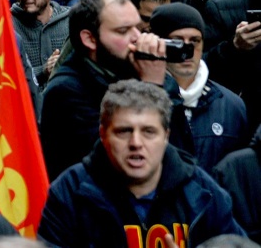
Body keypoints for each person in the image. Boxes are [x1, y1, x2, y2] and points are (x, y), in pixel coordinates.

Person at [39, 80, 245, 246]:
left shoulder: (203, 193)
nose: (136, 143)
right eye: (124, 131)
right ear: (103, 134)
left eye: (149, 132)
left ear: (166, 136)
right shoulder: (70, 192)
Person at [39, 0, 181, 180]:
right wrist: (152, 88)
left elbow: (183, 155)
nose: (137, 37)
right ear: (90, 39)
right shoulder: (66, 92)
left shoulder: (133, 69)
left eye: (137, 27)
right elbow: (123, 165)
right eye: (123, 31)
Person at [149, 3, 248, 172]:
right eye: (178, 41)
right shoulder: (139, 101)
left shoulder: (232, 107)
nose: (188, 49)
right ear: (160, 43)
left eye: (195, 41)